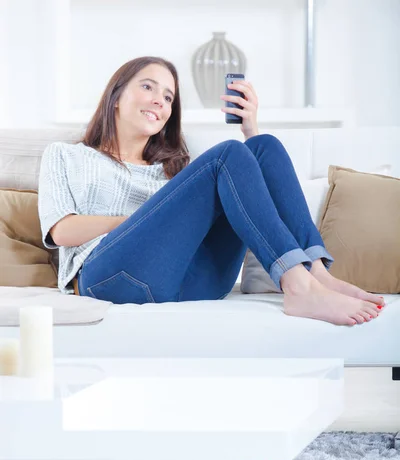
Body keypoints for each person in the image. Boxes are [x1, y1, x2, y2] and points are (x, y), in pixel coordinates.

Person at [38, 56, 385, 327]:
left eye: (168, 96)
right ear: (116, 96)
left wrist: (250, 127)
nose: (160, 100)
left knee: (264, 146)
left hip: (191, 282)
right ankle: (297, 286)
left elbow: (246, 189)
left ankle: (316, 274)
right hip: (110, 278)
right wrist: (137, 222)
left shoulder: (172, 167)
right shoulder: (68, 155)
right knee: (227, 155)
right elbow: (61, 231)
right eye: (148, 87)